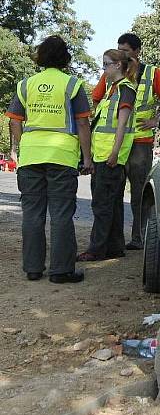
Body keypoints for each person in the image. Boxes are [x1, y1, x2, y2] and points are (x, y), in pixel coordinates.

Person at [4, 35, 93, 283]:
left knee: (32, 213)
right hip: (62, 156)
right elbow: (83, 123)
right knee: (61, 213)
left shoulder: (26, 84)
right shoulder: (72, 85)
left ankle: (33, 269)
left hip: (32, 156)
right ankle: (61, 271)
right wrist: (87, 157)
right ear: (65, 59)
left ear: (41, 57)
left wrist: (25, 146)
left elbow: (14, 121)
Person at [92, 33, 160, 250]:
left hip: (140, 141)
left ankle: (138, 237)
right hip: (118, 143)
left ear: (137, 51)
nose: (121, 53)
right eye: (119, 49)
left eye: (126, 50)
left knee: (139, 191)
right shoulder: (111, 74)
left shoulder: (151, 73)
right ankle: (115, 241)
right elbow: (96, 99)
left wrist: (158, 120)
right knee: (114, 190)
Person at [78, 49, 138, 262]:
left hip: (109, 157)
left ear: (118, 66)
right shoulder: (113, 90)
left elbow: (122, 124)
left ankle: (96, 249)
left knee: (102, 205)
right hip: (105, 155)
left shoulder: (124, 90)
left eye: (106, 64)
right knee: (112, 204)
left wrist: (114, 152)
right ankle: (114, 247)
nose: (103, 69)